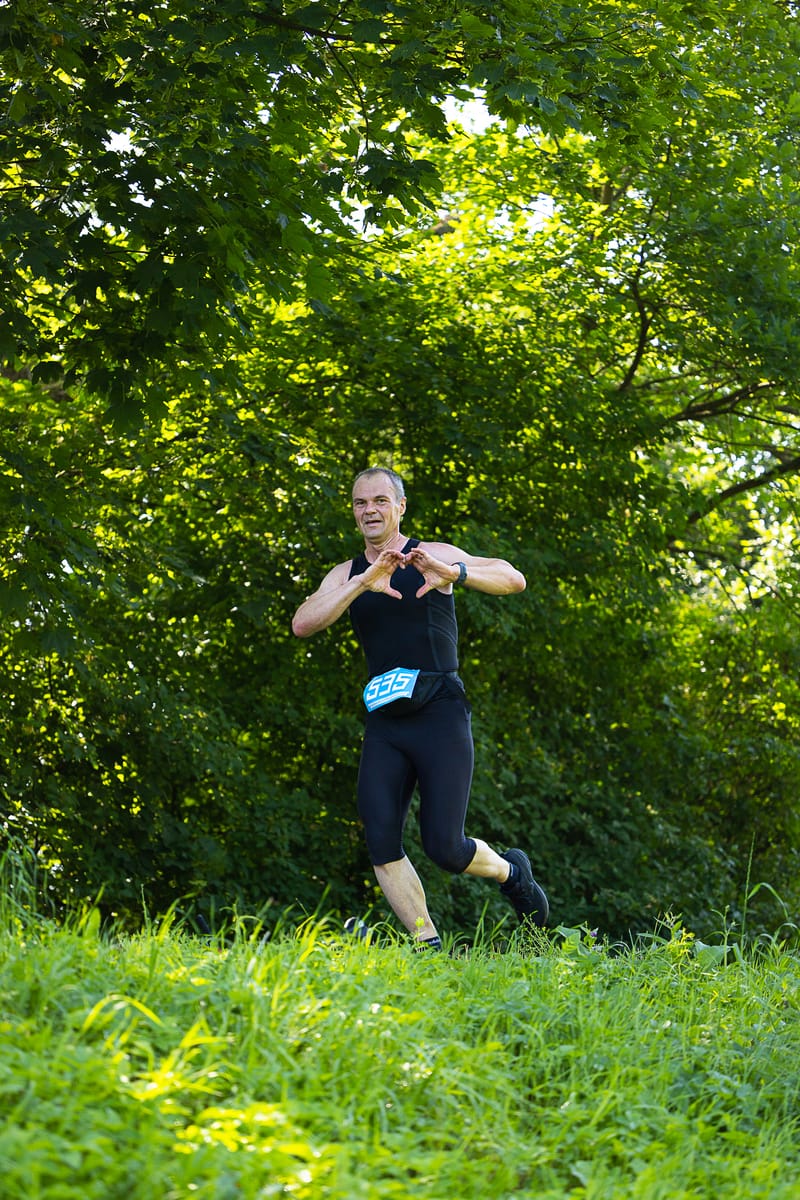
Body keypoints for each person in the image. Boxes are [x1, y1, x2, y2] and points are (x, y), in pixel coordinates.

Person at [291, 466, 548, 949]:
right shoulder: (347, 574)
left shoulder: (432, 556)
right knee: (380, 836)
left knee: (445, 847)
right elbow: (304, 623)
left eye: (380, 501)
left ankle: (512, 872)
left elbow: (514, 579)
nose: (370, 510)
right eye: (361, 503)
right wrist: (363, 582)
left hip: (439, 712)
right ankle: (427, 946)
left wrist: (456, 574)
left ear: (400, 507)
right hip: (386, 719)